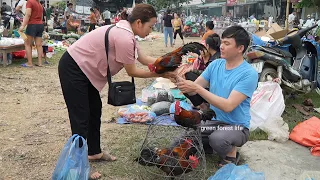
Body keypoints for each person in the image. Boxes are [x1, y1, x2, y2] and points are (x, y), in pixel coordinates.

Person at [58, 4, 174, 179]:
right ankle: (78, 169)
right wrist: (161, 73)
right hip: (74, 68)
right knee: (80, 118)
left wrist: (167, 64)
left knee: (95, 109)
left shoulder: (128, 33)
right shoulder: (124, 37)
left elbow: (143, 59)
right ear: (139, 22)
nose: (151, 30)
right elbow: (132, 71)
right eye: (150, 26)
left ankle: (94, 152)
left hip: (84, 70)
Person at [175, 26, 258, 167]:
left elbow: (228, 106)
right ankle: (208, 146)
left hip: (237, 127)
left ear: (240, 48)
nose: (222, 47)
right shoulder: (216, 65)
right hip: (215, 122)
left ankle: (231, 153)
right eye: (222, 42)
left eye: (227, 43)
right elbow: (194, 87)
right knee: (182, 140)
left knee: (218, 138)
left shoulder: (249, 74)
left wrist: (196, 88)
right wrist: (180, 81)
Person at [18, 0, 44, 67]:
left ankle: (30, 63)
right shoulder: (39, 4)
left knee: (28, 44)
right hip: (40, 24)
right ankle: (40, 63)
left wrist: (23, 25)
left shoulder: (30, 2)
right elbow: (41, 16)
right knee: (39, 45)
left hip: (32, 24)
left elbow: (28, 14)